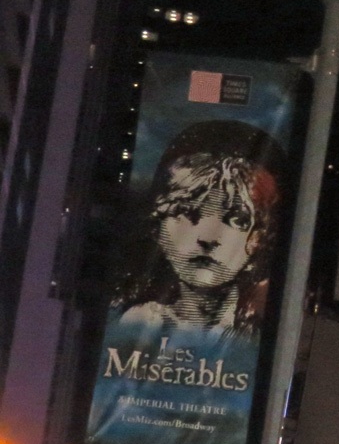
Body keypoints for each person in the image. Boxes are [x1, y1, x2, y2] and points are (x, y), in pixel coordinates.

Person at [107, 119, 289, 349]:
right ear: (159, 220)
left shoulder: (260, 330)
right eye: (187, 213)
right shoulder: (136, 321)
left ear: (260, 236)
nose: (208, 238)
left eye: (236, 220)